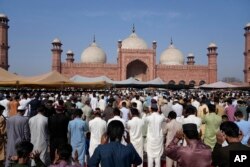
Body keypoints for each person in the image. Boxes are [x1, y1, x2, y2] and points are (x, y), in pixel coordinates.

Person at [144, 103, 165, 167]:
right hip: (158, 140)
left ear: (151, 109)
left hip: (150, 140)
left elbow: (144, 120)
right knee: (158, 158)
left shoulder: (148, 118)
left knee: (150, 158)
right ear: (157, 109)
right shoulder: (161, 117)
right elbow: (166, 119)